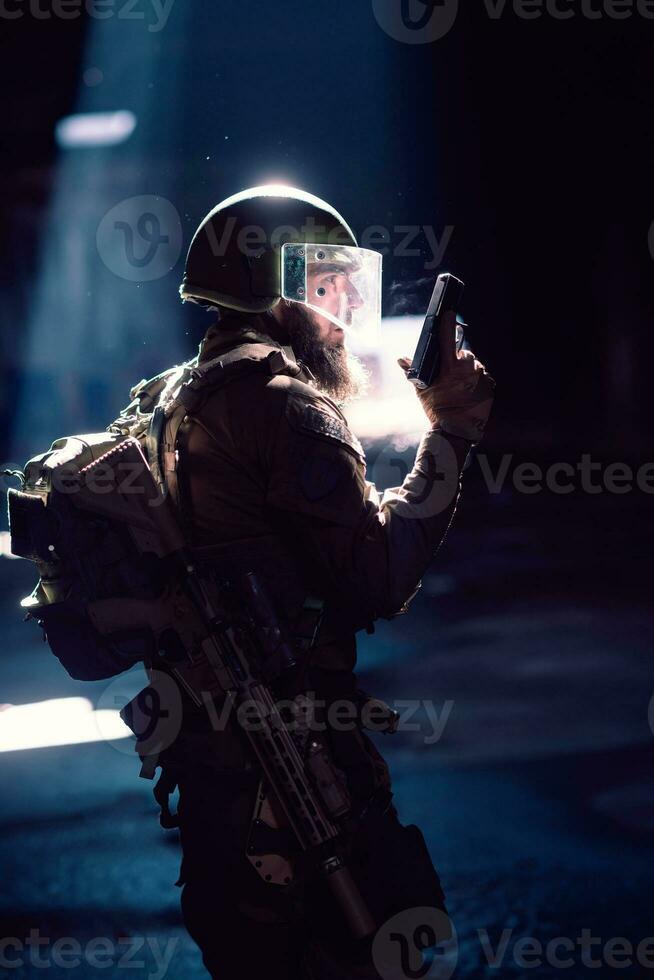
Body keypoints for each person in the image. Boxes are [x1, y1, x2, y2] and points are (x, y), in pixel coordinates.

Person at [130, 184, 495, 978]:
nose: (341, 313)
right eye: (324, 288)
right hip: (296, 794)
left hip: (221, 788)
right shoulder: (286, 406)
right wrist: (453, 434)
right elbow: (380, 576)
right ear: (274, 291)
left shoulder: (172, 399)